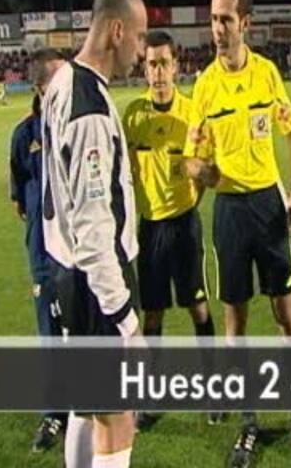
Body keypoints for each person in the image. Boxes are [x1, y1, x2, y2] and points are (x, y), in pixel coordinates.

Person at [183, 0, 291, 468]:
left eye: (225, 19)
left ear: (245, 22)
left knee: (287, 316)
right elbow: (192, 157)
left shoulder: (267, 75)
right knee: (235, 323)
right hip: (229, 212)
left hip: (267, 207)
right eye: (213, 19)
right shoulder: (204, 86)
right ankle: (248, 423)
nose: (217, 28)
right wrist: (199, 170)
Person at [42, 0, 147, 468]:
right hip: (96, 284)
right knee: (117, 416)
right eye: (140, 38)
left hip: (68, 273)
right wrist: (125, 317)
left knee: (86, 407)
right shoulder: (90, 108)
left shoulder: (62, 81)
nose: (141, 52)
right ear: (117, 31)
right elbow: (93, 227)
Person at [121, 30, 219, 428]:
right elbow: (123, 173)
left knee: (198, 307)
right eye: (151, 64)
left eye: (164, 63)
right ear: (144, 69)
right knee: (153, 315)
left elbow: (209, 171)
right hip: (150, 230)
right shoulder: (133, 117)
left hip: (185, 225)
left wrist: (197, 186)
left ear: (176, 66)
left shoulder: (193, 114)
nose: (158, 71)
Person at [9, 48, 67, 452]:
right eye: (59, 80)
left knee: (81, 331)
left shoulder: (75, 127)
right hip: (43, 254)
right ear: (40, 87)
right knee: (49, 333)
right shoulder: (23, 136)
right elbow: (19, 201)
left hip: (76, 254)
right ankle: (53, 413)